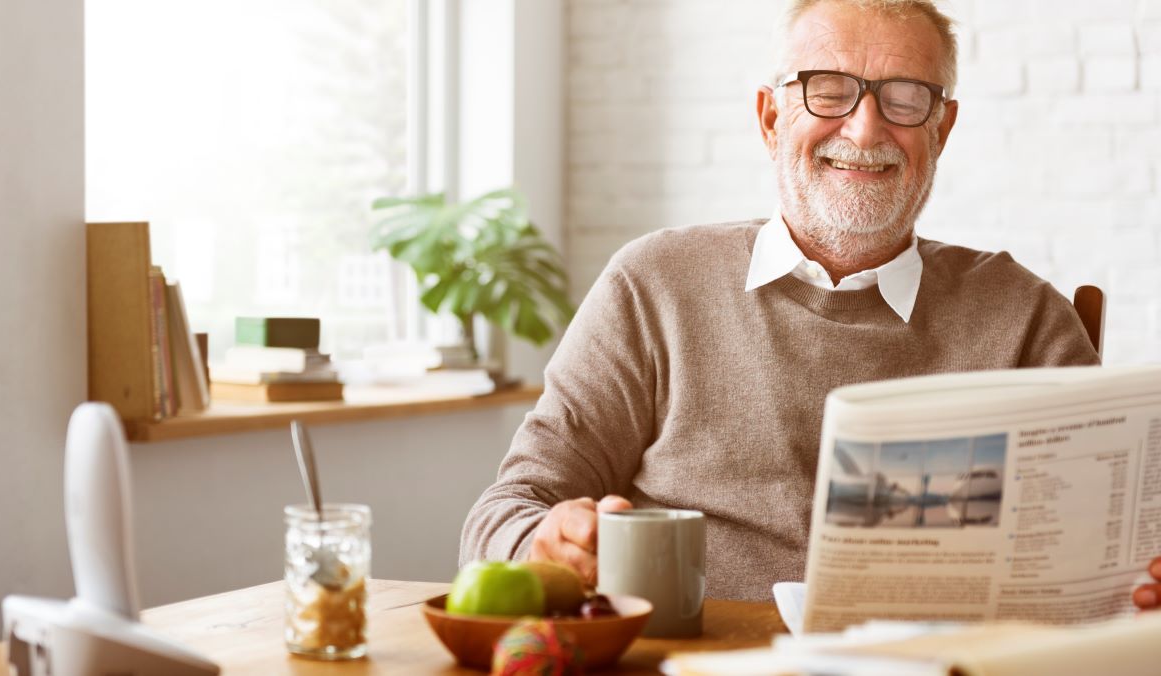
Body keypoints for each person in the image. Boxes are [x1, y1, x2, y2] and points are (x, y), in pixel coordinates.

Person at [459, 0, 1144, 603]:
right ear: (769, 117)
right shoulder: (654, 284)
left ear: (942, 129)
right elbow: (505, 512)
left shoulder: (1024, 317)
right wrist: (542, 541)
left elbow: (1115, 540)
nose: (866, 129)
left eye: (905, 99)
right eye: (828, 91)